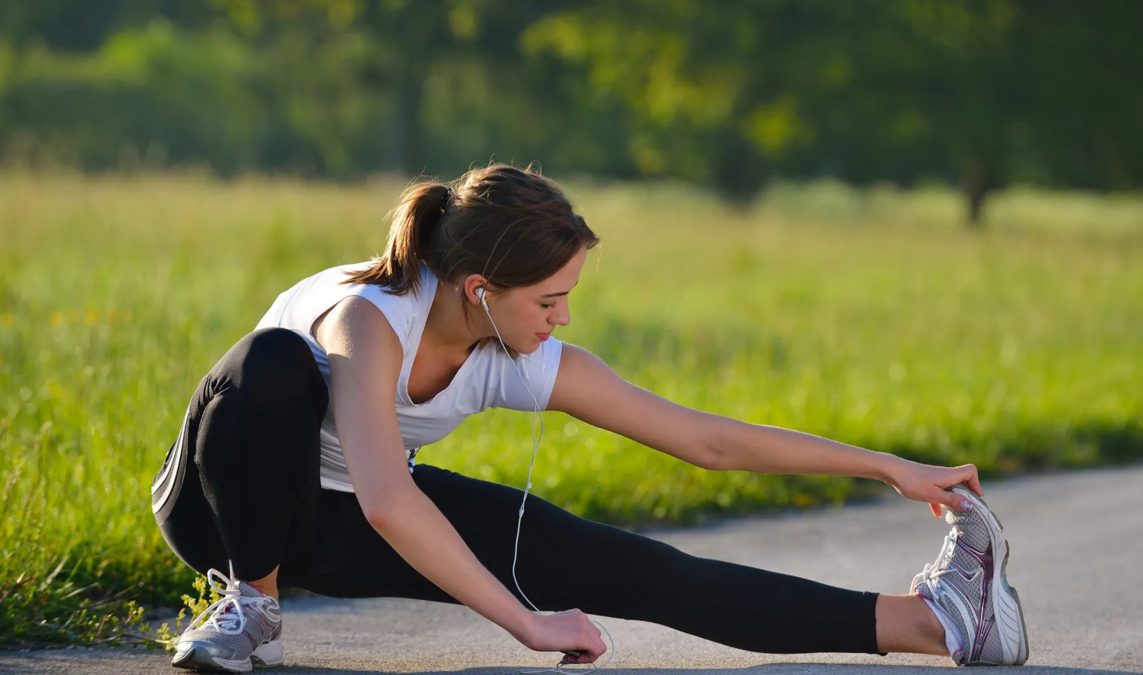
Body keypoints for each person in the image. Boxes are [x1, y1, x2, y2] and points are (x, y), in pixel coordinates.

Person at [151, 164, 1029, 673]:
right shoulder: (369, 319)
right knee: (271, 363)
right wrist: (527, 623)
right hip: (220, 510)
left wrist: (886, 465)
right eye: (550, 299)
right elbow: (387, 497)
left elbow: (705, 440)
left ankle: (940, 621)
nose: (562, 318)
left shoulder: (514, 348)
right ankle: (251, 607)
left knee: (638, 568)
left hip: (335, 524)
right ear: (480, 290)